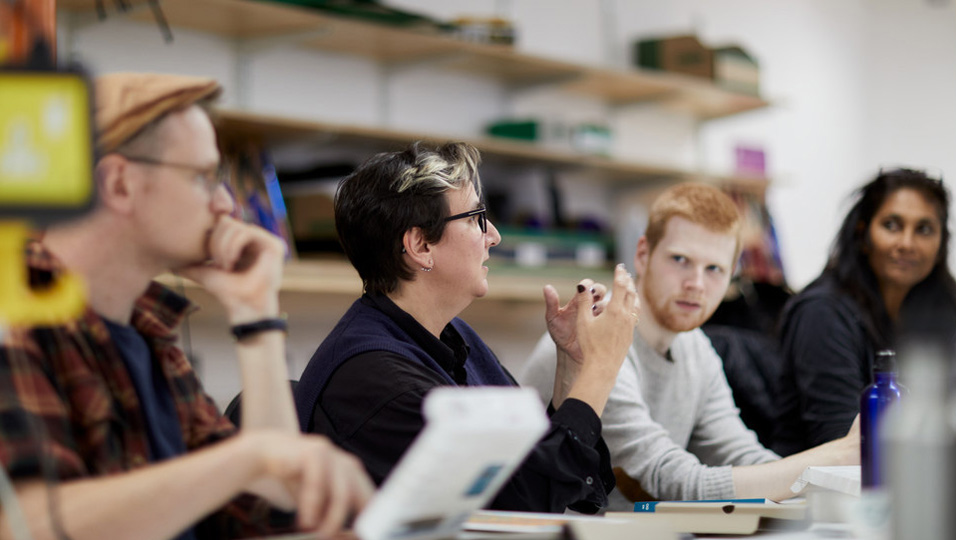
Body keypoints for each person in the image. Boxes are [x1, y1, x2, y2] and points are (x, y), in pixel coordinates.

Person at [0, 72, 373, 540]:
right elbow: (26, 524)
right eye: (201, 177)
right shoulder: (15, 321)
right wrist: (250, 456)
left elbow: (266, 505)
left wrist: (255, 313)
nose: (225, 204)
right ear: (118, 184)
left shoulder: (147, 333)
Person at [293, 141, 639, 514]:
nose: (494, 236)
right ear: (421, 245)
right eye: (476, 218)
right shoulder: (377, 379)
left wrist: (575, 362)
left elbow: (555, 476)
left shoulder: (451, 336)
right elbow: (524, 501)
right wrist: (602, 366)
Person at [520, 183, 859, 507]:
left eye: (714, 268)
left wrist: (827, 482)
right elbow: (673, 481)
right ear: (643, 254)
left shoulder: (697, 350)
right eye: (680, 260)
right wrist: (837, 456)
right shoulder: (596, 335)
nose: (696, 284)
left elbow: (744, 457)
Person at [773, 168, 956, 456]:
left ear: (940, 244)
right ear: (863, 234)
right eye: (892, 225)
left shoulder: (946, 304)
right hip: (817, 492)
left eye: (924, 229)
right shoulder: (822, 313)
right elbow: (846, 443)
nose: (907, 244)